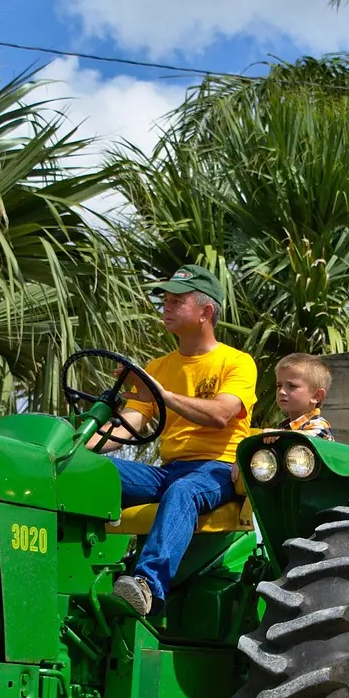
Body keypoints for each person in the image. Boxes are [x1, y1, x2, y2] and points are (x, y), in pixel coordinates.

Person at [100, 263, 257, 618]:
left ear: (206, 311)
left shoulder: (237, 362)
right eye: (165, 300)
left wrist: (164, 395)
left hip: (217, 470)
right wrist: (78, 443)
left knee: (183, 492)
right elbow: (130, 424)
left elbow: (221, 414)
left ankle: (147, 586)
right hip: (168, 470)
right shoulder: (156, 367)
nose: (166, 307)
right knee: (94, 471)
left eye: (177, 300)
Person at [272, 353, 334, 439]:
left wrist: (281, 434)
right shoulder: (284, 427)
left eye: (292, 386)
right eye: (279, 385)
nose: (282, 391)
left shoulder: (319, 425)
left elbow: (313, 438)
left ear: (316, 396)